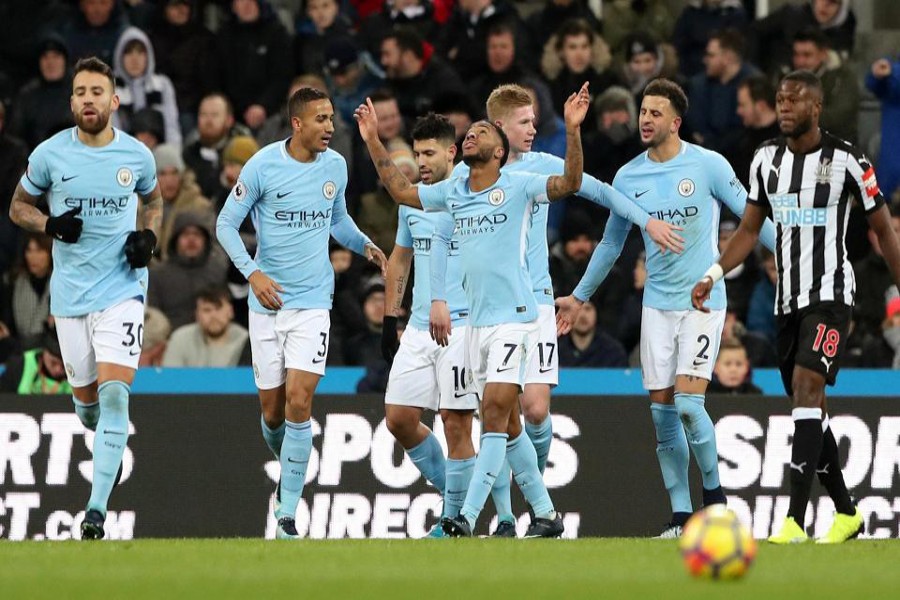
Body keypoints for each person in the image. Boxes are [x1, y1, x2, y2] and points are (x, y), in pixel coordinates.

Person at [354, 82, 594, 538]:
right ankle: (544, 513)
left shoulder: (520, 187)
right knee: (506, 421)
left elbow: (571, 183)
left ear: (500, 151)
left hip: (517, 317)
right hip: (478, 324)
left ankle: (463, 516)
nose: (472, 135)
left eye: (481, 132)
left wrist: (574, 131)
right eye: (471, 131)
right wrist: (372, 141)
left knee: (495, 411)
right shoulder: (455, 192)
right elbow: (402, 192)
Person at [458, 83, 683, 537]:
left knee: (535, 410)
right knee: (498, 412)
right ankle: (511, 517)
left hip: (535, 302)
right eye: (524, 122)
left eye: (534, 120)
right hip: (483, 307)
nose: (533, 129)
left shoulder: (542, 167)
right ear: (499, 126)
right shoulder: (470, 177)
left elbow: (597, 191)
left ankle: (533, 504)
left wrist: (646, 221)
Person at [556, 78, 776, 538]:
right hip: (656, 306)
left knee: (690, 406)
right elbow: (611, 244)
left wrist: (794, 257)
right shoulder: (629, 177)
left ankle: (716, 503)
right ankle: (681, 517)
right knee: (661, 415)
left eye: (656, 112)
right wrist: (579, 296)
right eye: (643, 111)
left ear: (676, 122)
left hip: (702, 300)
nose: (645, 118)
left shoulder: (708, 165)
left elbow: (752, 220)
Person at [691, 70, 900, 544]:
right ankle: (847, 513)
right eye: (780, 99)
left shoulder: (848, 160)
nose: (784, 107)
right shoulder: (765, 160)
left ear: (816, 107)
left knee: (807, 387)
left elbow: (884, 231)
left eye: (794, 100)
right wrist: (712, 273)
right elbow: (747, 230)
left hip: (830, 296)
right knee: (811, 407)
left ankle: (795, 520)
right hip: (788, 302)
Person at [216, 87, 388, 540]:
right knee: (273, 415)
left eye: (332, 118)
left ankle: (287, 512)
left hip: (314, 302)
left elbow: (337, 220)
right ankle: (290, 460)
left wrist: (366, 244)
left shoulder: (336, 166)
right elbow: (225, 224)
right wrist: (253, 275)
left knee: (299, 401)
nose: (330, 127)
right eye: (321, 120)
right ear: (297, 124)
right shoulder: (262, 166)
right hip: (267, 303)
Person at [9, 57, 162, 540]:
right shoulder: (50, 155)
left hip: (122, 290)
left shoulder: (137, 155)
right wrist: (50, 224)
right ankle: (105, 447)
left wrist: (149, 237)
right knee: (88, 409)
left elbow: (154, 201)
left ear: (114, 101)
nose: (88, 99)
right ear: (71, 101)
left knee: (117, 395)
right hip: (71, 298)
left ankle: (94, 512)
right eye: (80, 92)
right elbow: (18, 206)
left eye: (97, 91)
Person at [380, 113, 478, 538]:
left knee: (456, 423)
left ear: (451, 152)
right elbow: (401, 257)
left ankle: (454, 518)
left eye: (429, 152)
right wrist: (390, 315)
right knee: (398, 418)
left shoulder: (474, 195)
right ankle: (458, 492)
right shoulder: (413, 201)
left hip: (463, 324)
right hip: (419, 327)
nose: (420, 160)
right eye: (417, 152)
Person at [148, 210, 229, 329]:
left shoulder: (218, 271)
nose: (191, 239)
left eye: (197, 234)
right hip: (171, 341)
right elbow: (153, 319)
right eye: (185, 234)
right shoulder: (157, 275)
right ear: (175, 240)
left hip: (214, 337)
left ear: (206, 241)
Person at [685, 28, 757, 153]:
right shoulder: (698, 85)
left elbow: (746, 129)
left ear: (727, 58)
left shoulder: (753, 84)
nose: (705, 60)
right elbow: (695, 126)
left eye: (711, 55)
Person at [112, 27, 182, 146]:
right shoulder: (111, 89)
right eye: (128, 52)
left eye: (140, 52)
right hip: (125, 153)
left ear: (148, 55)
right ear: (119, 56)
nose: (135, 59)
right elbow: (113, 131)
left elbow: (171, 127)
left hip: (160, 151)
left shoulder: (163, 85)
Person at [790, 28, 859, 143]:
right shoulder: (786, 77)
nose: (800, 61)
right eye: (796, 55)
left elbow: (838, 117)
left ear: (823, 54)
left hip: (838, 149)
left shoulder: (843, 78)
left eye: (807, 55)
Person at [9, 34, 75, 151]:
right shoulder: (26, 95)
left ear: (65, 60)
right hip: (36, 162)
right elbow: (15, 137)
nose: (50, 63)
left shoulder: (80, 91)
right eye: (45, 57)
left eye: (56, 56)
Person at [162, 287, 250, 367]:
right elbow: (170, 378)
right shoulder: (180, 338)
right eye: (207, 310)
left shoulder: (245, 341)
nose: (214, 316)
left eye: (218, 309)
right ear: (197, 315)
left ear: (230, 312)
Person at [729, 75, 780, 188]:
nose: (738, 111)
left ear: (760, 106)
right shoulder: (740, 140)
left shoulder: (787, 141)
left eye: (742, 105)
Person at [0, 326, 72, 395]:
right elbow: (5, 399)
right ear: (44, 352)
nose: (58, 370)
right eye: (53, 363)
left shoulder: (78, 371)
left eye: (64, 366)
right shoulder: (20, 364)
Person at [866, 55, 900, 201]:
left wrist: (893, 71)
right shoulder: (892, 81)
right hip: (890, 180)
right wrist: (883, 71)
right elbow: (873, 82)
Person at [557, 300, 627, 367]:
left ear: (596, 312)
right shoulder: (556, 350)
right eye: (577, 310)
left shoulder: (613, 352)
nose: (582, 315)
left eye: (588, 309)